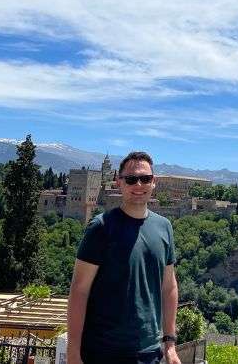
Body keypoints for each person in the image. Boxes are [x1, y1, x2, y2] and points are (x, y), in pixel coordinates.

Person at [67, 151, 181, 364]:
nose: (139, 185)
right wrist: (73, 354)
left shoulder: (164, 227)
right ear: (119, 182)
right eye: (131, 179)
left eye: (145, 178)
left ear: (153, 182)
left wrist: (170, 344)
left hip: (149, 353)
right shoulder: (101, 227)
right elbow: (79, 291)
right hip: (103, 352)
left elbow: (169, 287)